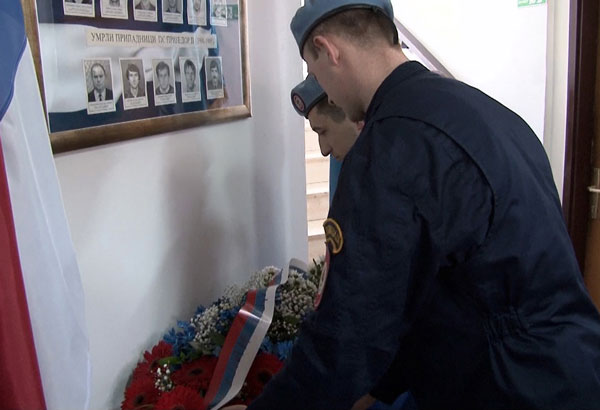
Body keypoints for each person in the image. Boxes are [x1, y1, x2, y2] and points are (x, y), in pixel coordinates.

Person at [247, 1, 600, 410]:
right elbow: (437, 289)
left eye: (315, 72)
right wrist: (380, 387)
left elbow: (350, 329)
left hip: (507, 386)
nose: (327, 91)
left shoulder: (390, 146)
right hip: (571, 368)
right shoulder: (483, 110)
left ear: (328, 51)